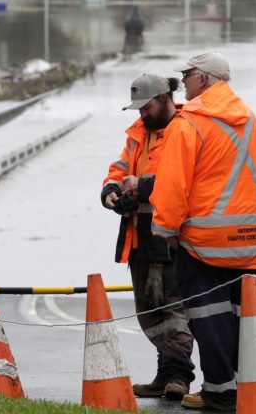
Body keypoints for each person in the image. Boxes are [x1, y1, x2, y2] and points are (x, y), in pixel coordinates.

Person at [150, 51, 256, 412]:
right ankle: (242, 387)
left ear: (203, 79)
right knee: (237, 319)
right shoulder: (247, 118)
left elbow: (172, 185)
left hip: (204, 243)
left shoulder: (191, 123)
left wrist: (165, 229)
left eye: (187, 75)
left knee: (208, 319)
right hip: (249, 240)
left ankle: (219, 392)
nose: (183, 82)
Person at [100, 73, 195, 400]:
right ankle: (166, 373)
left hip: (170, 237)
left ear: (165, 98)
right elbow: (119, 167)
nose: (141, 114)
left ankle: (178, 377)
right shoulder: (138, 133)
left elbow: (183, 180)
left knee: (175, 309)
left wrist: (141, 185)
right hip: (139, 236)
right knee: (148, 310)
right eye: (138, 108)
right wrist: (112, 190)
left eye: (146, 106)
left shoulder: (185, 129)